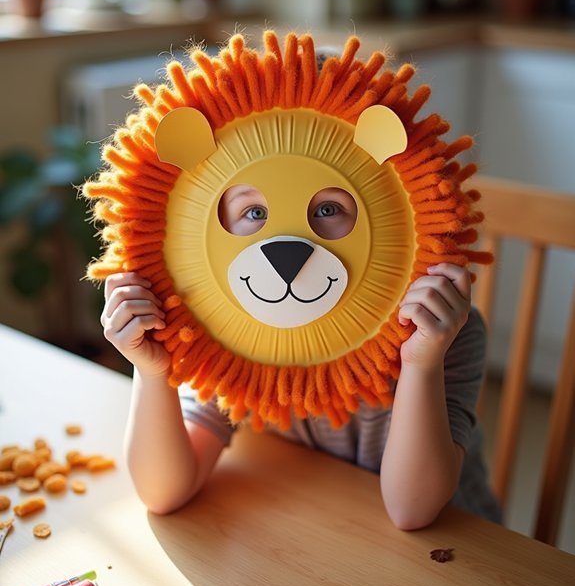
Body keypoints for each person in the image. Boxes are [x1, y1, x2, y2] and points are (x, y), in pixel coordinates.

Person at [101, 184, 501, 529]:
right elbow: (162, 491)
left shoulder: (439, 329)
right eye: (254, 212)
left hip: (457, 557)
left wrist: (421, 362)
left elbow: (411, 511)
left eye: (328, 209)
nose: (289, 243)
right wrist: (153, 371)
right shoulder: (223, 335)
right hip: (317, 540)